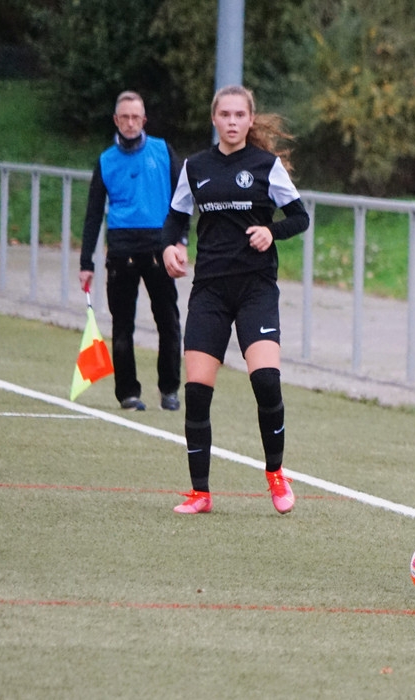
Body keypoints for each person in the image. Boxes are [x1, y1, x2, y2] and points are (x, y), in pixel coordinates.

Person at [161, 85, 310, 515]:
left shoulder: (266, 166)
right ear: (214, 119)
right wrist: (170, 246)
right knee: (196, 391)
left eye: (239, 115)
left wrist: (271, 232)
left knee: (265, 381)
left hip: (255, 289)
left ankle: (276, 474)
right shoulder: (195, 167)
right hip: (210, 291)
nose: (231, 121)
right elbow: (175, 218)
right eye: (224, 114)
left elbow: (299, 217)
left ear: (249, 119)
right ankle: (200, 493)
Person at [79, 90, 184, 412]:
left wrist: (181, 241)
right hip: (121, 247)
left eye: (135, 117)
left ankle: (169, 389)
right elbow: (93, 213)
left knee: (168, 320)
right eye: (124, 117)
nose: (130, 123)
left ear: (144, 119)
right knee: (122, 324)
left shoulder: (163, 151)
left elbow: (182, 197)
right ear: (116, 120)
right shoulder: (106, 160)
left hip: (159, 246)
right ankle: (128, 393)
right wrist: (86, 262)